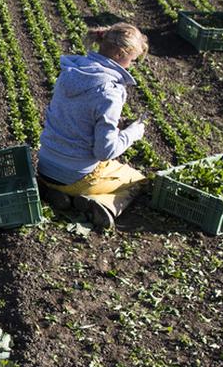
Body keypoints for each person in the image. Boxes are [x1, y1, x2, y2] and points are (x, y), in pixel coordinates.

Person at [35, 23, 149, 231]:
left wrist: (115, 124)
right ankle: (103, 205)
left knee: (70, 173)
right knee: (139, 180)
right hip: (77, 175)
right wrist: (133, 133)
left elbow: (78, 115)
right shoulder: (110, 92)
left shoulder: (71, 72)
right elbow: (104, 151)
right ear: (121, 53)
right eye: (132, 60)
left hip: (45, 165)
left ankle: (55, 193)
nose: (130, 66)